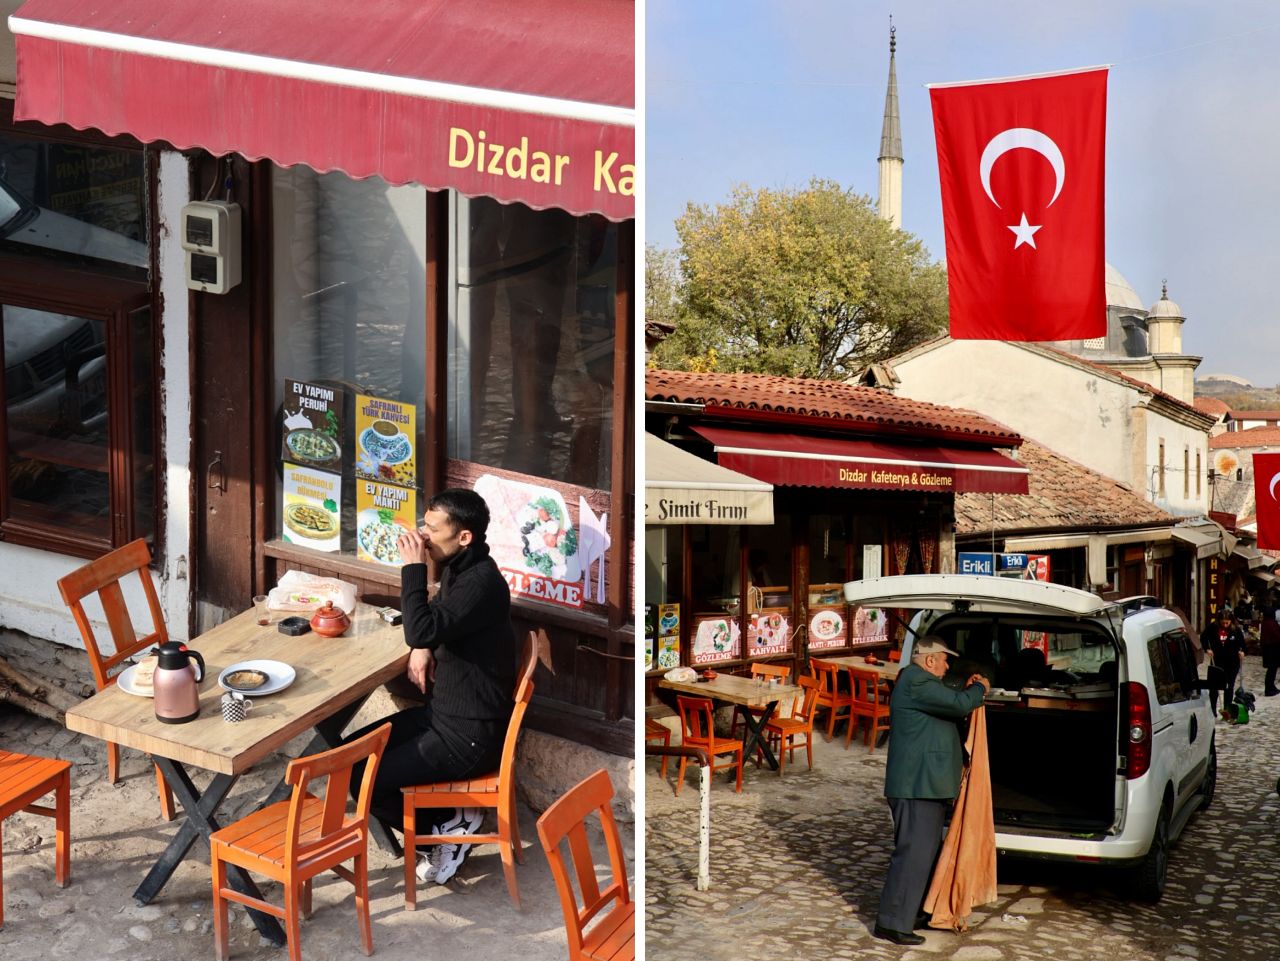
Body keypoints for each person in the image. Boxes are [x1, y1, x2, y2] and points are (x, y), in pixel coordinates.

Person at [344, 488, 516, 885]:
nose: (421, 536)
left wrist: (413, 568)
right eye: (424, 524)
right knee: (349, 757)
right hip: (443, 716)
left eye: (432, 529)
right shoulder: (461, 567)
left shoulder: (481, 583)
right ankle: (450, 817)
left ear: (464, 536)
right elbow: (437, 622)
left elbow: (421, 627)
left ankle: (445, 832)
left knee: (364, 782)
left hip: (467, 737)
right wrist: (423, 647)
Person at [874, 636, 990, 946]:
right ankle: (891, 923)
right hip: (916, 785)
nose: (947, 666)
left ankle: (910, 913)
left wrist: (966, 688)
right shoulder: (917, 681)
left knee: (923, 854)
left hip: (923, 784)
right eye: (944, 660)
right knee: (913, 855)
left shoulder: (920, 682)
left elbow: (950, 699)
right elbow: (959, 703)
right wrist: (980, 688)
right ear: (930, 660)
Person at [1202, 611, 1246, 721]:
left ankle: (1227, 709)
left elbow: (1243, 644)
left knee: (1229, 686)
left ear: (1231, 621)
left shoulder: (1236, 630)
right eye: (1223, 623)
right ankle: (1212, 709)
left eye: (1227, 623)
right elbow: (1203, 637)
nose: (1225, 625)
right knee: (1214, 686)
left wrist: (1242, 652)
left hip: (1232, 662)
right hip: (1217, 661)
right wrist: (1207, 649)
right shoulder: (1212, 628)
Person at [1261, 609, 1280, 697]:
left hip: (1269, 649)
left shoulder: (1266, 622)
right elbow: (1276, 635)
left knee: (1272, 670)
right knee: (1271, 670)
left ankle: (1272, 686)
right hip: (1272, 650)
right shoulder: (1270, 623)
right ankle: (1269, 689)